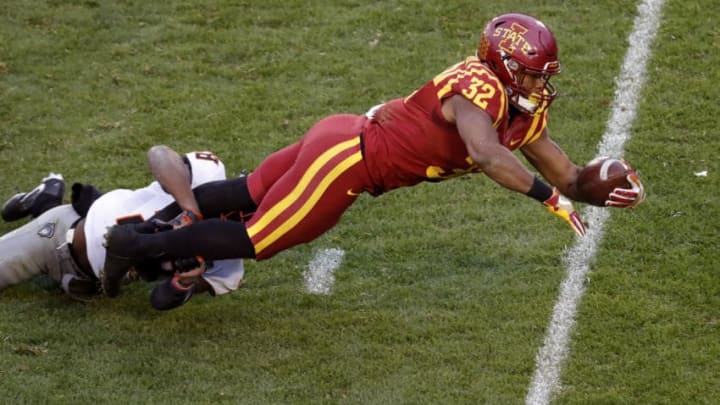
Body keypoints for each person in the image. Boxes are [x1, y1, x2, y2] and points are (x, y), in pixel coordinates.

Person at [101, 13, 646, 296]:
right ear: (502, 64)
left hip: (344, 138)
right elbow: (485, 154)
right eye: (529, 71)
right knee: (256, 239)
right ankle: (138, 246)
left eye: (541, 74)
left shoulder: (523, 114)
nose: (537, 82)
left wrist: (602, 187)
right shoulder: (478, 86)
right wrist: (548, 197)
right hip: (349, 160)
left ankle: (152, 222)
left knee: (247, 192)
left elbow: (568, 175)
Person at [0, 145, 246, 310]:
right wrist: (192, 212)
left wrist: (184, 282)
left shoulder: (230, 263)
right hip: (59, 236)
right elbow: (158, 154)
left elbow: (160, 300)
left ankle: (45, 197)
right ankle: (46, 202)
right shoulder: (209, 175)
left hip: (90, 282)